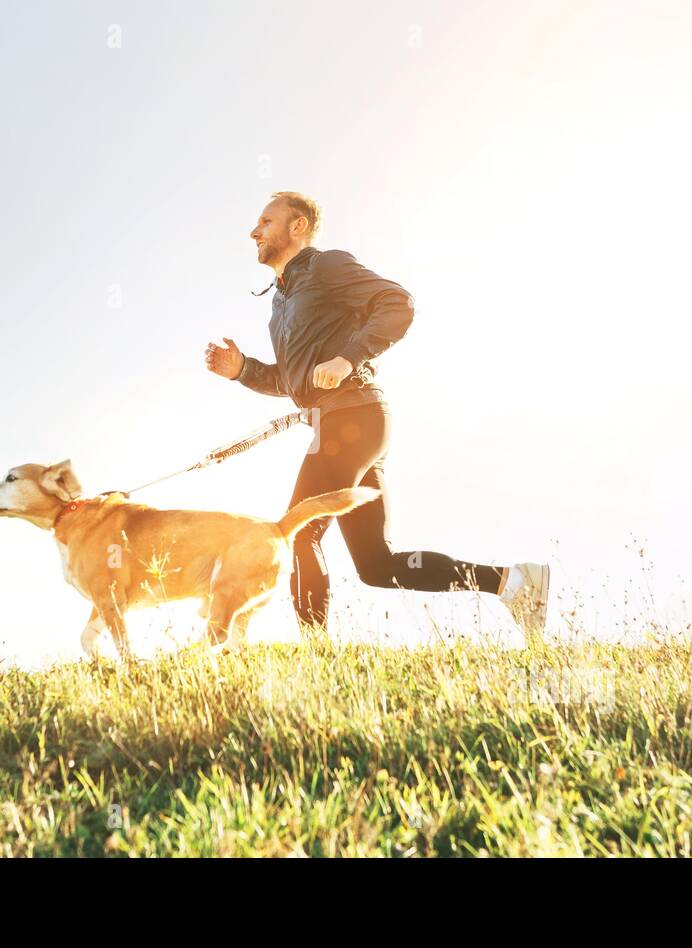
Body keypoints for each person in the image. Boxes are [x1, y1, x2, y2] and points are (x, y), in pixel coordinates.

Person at [204, 191, 550, 639]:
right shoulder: (280, 303)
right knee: (376, 565)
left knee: (297, 532)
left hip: (354, 418)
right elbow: (296, 382)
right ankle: (514, 583)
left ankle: (315, 657)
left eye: (265, 222)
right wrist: (243, 371)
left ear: (297, 227)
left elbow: (398, 304)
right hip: (342, 424)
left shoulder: (326, 267)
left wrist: (348, 358)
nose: (254, 231)